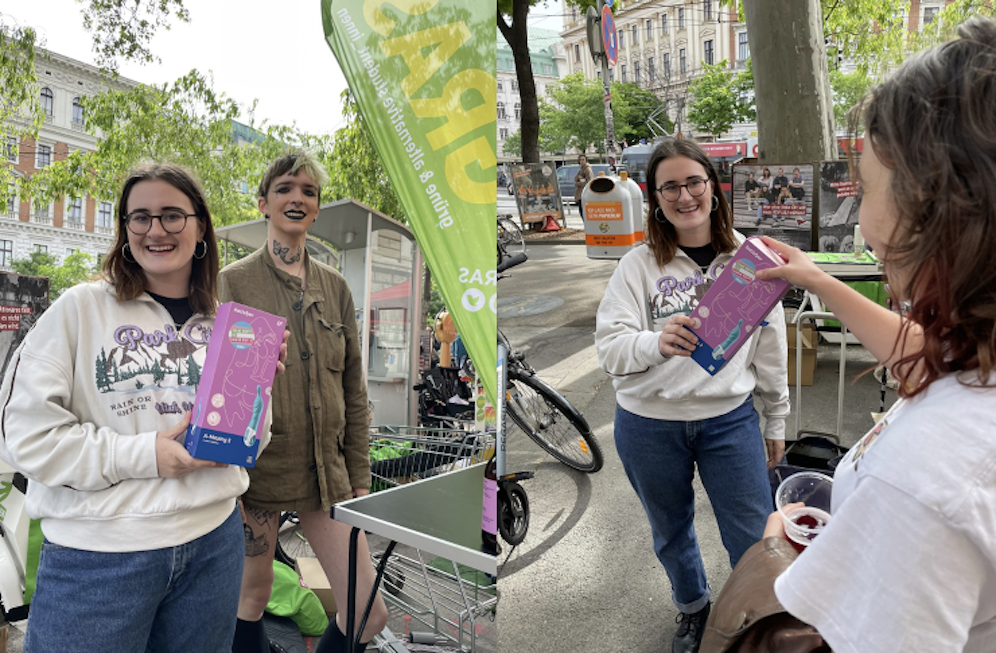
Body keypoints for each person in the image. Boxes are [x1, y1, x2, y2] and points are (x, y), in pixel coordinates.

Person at [702, 17, 996, 653]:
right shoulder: (980, 357)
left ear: (941, 208)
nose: (862, 224)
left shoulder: (928, 478)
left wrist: (783, 549)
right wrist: (818, 280)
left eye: (865, 189)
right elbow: (922, 349)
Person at [0, 163, 283, 652]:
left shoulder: (227, 325)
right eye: (140, 217)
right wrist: (147, 455)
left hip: (214, 546)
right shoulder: (78, 309)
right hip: (99, 558)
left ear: (200, 229)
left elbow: (252, 441)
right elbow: (23, 437)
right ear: (125, 230)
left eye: (172, 215)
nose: (156, 230)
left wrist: (256, 400)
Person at [594, 139, 789, 653]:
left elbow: (771, 345)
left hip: (730, 419)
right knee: (671, 531)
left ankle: (760, 618)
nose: (685, 196)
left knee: (752, 533)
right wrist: (654, 343)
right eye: (670, 187)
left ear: (713, 186)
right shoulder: (637, 265)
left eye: (694, 182)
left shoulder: (750, 259)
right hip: (648, 425)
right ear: (655, 198)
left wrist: (777, 419)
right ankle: (693, 609)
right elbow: (610, 349)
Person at [220, 150, 388, 653]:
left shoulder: (336, 288)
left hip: (326, 474)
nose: (297, 198)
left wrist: (359, 474)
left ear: (316, 210)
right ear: (264, 204)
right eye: (285, 189)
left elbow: (354, 389)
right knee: (252, 595)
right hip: (258, 475)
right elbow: (222, 392)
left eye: (308, 192)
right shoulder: (232, 282)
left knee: (368, 611)